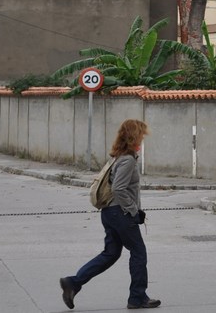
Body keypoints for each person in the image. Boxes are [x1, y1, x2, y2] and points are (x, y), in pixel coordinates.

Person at [59, 119, 161, 310]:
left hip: (110, 213)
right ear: (134, 137)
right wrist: (133, 211)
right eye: (141, 136)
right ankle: (137, 297)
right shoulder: (128, 160)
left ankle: (73, 283)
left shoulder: (117, 157)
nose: (143, 139)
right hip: (120, 214)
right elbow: (119, 188)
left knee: (111, 253)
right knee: (139, 252)